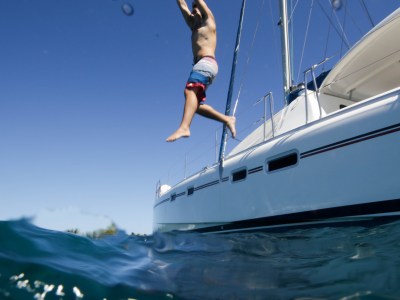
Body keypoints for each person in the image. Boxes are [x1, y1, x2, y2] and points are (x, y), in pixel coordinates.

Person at [166, 0, 236, 142]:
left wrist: (198, 4)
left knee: (189, 91)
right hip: (203, 66)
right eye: (192, 9)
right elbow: (181, 4)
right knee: (194, 106)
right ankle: (227, 119)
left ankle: (184, 127)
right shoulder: (193, 27)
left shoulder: (209, 21)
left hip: (207, 62)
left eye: (196, 8)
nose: (193, 11)